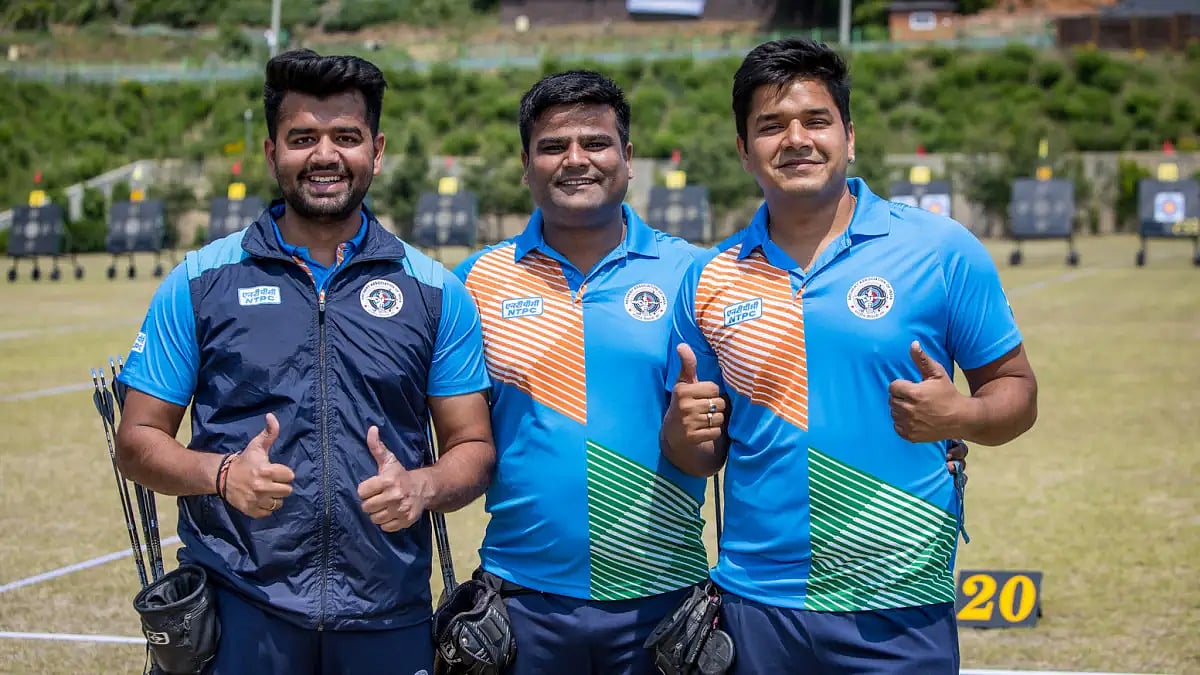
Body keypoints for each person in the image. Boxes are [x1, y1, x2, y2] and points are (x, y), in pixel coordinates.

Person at [661, 38, 1038, 674]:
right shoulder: (709, 278)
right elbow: (699, 454)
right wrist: (680, 433)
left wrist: (961, 417)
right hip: (758, 606)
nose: (796, 139)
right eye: (770, 126)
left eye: (816, 120)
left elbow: (1017, 391)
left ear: (849, 136)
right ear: (744, 151)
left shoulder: (941, 250)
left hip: (900, 605)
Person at [114, 49, 495, 674]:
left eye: (346, 137)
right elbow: (136, 440)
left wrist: (419, 486)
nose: (324, 156)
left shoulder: (434, 290)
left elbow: (474, 447)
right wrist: (222, 473)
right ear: (272, 153)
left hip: (388, 613)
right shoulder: (201, 280)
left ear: (376, 150)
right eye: (302, 138)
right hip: (241, 608)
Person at [451, 70, 710, 675]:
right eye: (552, 146)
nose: (575, 160)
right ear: (525, 163)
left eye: (595, 143)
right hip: (522, 602)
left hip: (663, 605)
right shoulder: (475, 281)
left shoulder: (694, 274)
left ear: (628, 157)